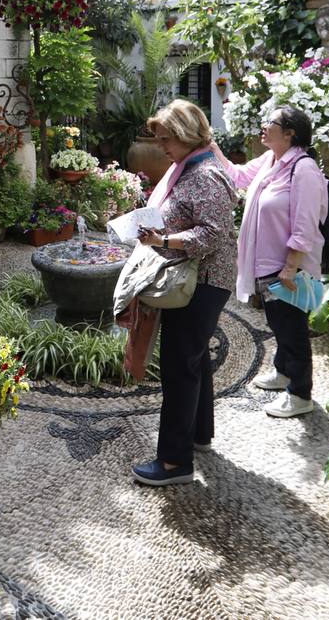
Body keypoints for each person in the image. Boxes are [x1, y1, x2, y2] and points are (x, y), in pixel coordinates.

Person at [130, 99, 238, 487]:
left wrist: (165, 239)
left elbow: (213, 233)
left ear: (185, 136)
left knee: (179, 365)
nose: (161, 147)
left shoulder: (205, 174)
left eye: (165, 139)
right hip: (200, 279)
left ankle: (175, 463)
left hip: (203, 281)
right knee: (194, 360)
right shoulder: (191, 167)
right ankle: (198, 435)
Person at [215, 105, 328, 419]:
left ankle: (301, 393)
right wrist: (212, 148)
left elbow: (304, 224)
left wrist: (290, 266)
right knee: (278, 323)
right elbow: (237, 176)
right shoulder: (271, 160)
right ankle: (283, 373)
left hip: (288, 267)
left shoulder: (303, 169)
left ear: (290, 132)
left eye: (271, 122)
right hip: (267, 263)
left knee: (292, 329)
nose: (263, 126)